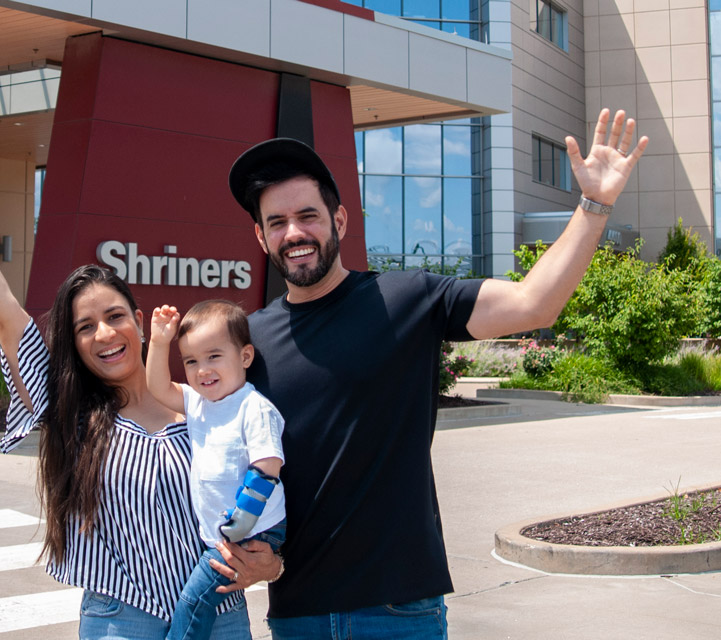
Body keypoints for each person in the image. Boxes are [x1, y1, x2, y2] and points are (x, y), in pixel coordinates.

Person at [212, 108, 648, 639]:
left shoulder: (408, 299)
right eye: (276, 223)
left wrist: (594, 205)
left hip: (399, 610)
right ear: (260, 239)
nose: (294, 233)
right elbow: (216, 458)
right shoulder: (248, 343)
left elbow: (534, 304)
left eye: (308, 216)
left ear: (340, 222)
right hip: (298, 612)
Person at [0, 144, 275, 639]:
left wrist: (271, 563)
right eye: (85, 326)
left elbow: (270, 495)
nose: (104, 334)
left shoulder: (207, 404)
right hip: (123, 617)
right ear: (73, 343)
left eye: (116, 316)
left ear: (140, 324)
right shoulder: (71, 412)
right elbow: (6, 312)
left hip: (219, 614)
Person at [146, 300, 287, 640]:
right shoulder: (198, 404)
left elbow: (268, 465)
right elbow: (157, 387)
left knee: (194, 601)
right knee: (200, 602)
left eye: (213, 356)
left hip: (253, 530)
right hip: (223, 534)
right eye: (191, 361)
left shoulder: (253, 407)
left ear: (245, 357)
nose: (202, 370)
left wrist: (244, 518)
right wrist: (159, 341)